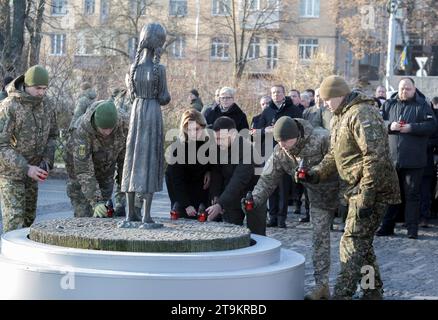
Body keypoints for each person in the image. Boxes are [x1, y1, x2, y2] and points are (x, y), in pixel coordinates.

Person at [299, 75, 400, 299]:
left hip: (372, 190)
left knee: (351, 241)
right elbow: (335, 154)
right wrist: (315, 174)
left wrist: (367, 195)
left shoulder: (362, 113)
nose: (324, 103)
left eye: (326, 99)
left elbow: (375, 157)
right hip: (357, 189)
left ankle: (342, 293)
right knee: (363, 244)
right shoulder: (341, 116)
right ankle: (372, 290)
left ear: (338, 95)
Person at [244, 116, 338, 299]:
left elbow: (343, 161)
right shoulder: (280, 152)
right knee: (319, 238)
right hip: (319, 199)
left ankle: (370, 286)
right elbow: (267, 179)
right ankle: (322, 286)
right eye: (279, 140)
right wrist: (254, 199)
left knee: (355, 241)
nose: (283, 144)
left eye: (286, 140)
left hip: (345, 193)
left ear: (296, 135)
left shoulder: (322, 138)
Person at [121, 23, 171, 227]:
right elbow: (164, 97)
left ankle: (129, 215)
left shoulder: (133, 68)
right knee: (149, 160)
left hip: (136, 113)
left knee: (132, 159)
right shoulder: (159, 69)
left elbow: (132, 95)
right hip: (151, 114)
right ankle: (146, 216)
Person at [0, 65, 58, 232]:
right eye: (37, 88)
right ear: (26, 85)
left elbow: (53, 136)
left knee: (28, 222)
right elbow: (1, 145)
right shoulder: (9, 106)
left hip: (33, 175)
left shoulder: (47, 105)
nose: (41, 92)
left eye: (44, 88)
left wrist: (47, 161)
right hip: (11, 175)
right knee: (14, 225)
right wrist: (26, 168)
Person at [377, 78, 436, 239]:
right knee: (390, 194)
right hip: (392, 159)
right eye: (402, 88)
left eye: (408, 89)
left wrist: (412, 127)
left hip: (414, 161)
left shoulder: (423, 105)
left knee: (412, 195)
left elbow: (432, 126)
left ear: (414, 89)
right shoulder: (389, 104)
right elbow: (378, 123)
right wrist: (390, 126)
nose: (404, 91)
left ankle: (412, 228)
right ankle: (387, 226)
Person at [65, 100, 129, 217]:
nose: (107, 132)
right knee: (85, 216)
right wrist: (96, 201)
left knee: (104, 216)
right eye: (103, 129)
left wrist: (121, 200)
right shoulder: (81, 131)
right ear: (95, 123)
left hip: (106, 170)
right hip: (80, 175)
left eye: (110, 128)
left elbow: (125, 163)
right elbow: (83, 170)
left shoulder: (124, 123)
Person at [206, 116, 265, 235]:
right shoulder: (218, 147)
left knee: (257, 236)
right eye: (216, 138)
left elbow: (239, 180)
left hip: (253, 194)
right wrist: (216, 195)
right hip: (231, 196)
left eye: (221, 138)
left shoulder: (247, 149)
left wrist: (220, 203)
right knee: (230, 232)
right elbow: (217, 172)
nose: (218, 142)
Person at [256, 85, 302, 228]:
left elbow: (299, 128)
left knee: (283, 185)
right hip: (269, 151)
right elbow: (257, 131)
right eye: (273, 92)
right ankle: (273, 216)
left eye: (279, 92)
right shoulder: (267, 110)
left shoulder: (293, 109)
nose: (276, 95)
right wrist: (266, 130)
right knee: (271, 185)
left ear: (284, 94)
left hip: (286, 151)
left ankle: (282, 218)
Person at [165, 109, 211, 218]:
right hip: (179, 184)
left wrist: (209, 171)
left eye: (196, 129)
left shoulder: (209, 143)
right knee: (184, 213)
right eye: (189, 130)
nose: (193, 133)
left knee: (200, 213)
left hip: (198, 182)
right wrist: (186, 204)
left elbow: (213, 163)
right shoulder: (178, 148)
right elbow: (177, 179)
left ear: (203, 127)